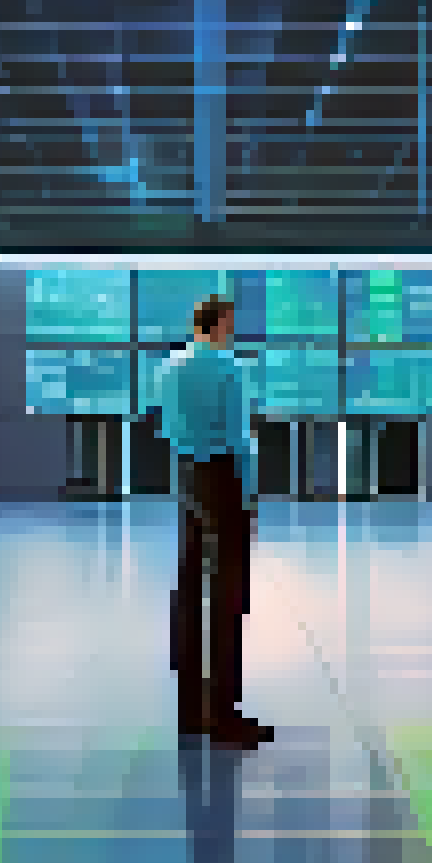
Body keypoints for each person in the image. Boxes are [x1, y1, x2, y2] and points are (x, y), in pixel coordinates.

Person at [153, 294, 272, 749]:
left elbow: (165, 429)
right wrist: (248, 493)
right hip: (224, 477)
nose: (233, 331)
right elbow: (240, 438)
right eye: (231, 323)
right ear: (219, 323)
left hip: (187, 476)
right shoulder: (229, 368)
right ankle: (224, 715)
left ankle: (190, 711)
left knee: (188, 587)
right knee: (227, 595)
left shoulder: (167, 368)